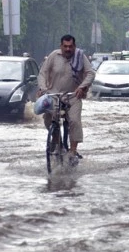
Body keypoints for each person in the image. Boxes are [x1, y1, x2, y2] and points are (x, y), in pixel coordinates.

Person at [37, 34, 95, 163]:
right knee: (48, 118)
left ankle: (73, 151)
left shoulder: (80, 56)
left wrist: (82, 86)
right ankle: (56, 140)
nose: (68, 49)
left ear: (74, 46)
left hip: (73, 96)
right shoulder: (53, 56)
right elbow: (42, 73)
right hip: (54, 95)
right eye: (65, 46)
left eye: (71, 46)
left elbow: (90, 73)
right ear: (61, 46)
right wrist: (42, 89)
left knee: (74, 120)